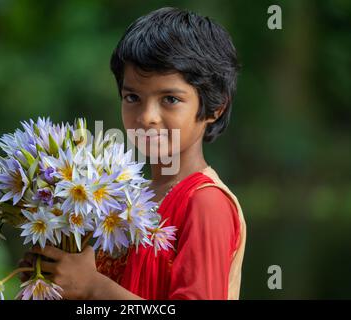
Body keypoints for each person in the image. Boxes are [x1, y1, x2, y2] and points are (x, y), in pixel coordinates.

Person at [20, 7, 246, 300]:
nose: (147, 116)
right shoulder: (122, 199)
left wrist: (92, 286)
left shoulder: (205, 203)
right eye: (133, 97)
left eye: (170, 99)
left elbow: (95, 289)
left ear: (216, 107)